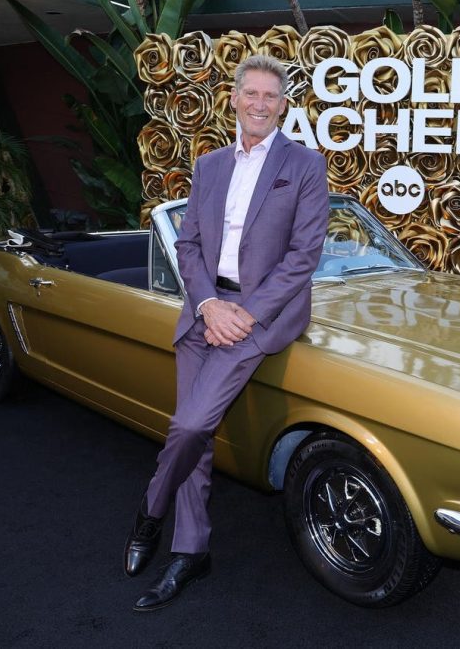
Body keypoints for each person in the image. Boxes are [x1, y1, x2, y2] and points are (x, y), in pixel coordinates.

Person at [124, 54, 330, 612]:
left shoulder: (305, 165)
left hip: (259, 315)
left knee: (190, 424)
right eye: (251, 93)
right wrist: (209, 304)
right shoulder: (210, 164)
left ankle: (149, 513)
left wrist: (246, 314)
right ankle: (190, 552)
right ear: (234, 99)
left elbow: (303, 255)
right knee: (193, 434)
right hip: (204, 308)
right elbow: (188, 244)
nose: (260, 104)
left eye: (271, 96)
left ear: (283, 106)